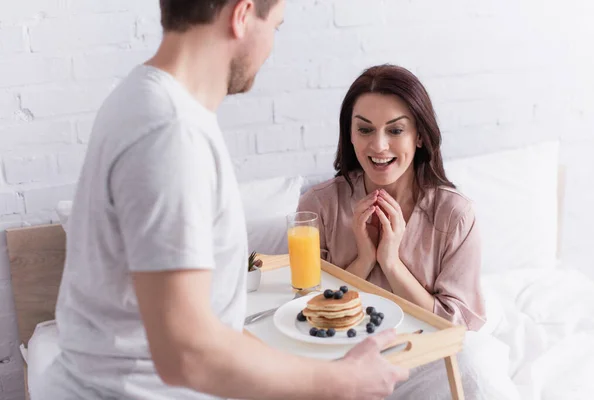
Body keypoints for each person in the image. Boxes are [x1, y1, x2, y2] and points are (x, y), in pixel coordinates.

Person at [38, 2, 408, 400]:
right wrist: (342, 381)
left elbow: (202, 327)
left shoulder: (141, 99)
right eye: (275, 27)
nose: (270, 48)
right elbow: (187, 354)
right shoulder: (171, 133)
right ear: (242, 14)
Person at [298, 65, 520, 399]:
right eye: (365, 130)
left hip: (424, 358)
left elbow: (455, 327)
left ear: (419, 136)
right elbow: (305, 311)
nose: (379, 145)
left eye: (395, 130)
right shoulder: (319, 205)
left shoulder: (455, 215)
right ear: (350, 134)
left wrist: (391, 264)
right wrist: (363, 260)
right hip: (343, 359)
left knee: (475, 364)